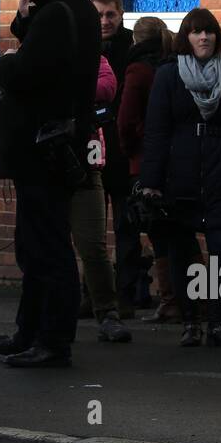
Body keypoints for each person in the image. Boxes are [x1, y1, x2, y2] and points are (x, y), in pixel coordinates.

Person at [0, 0, 100, 368]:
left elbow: (27, 71)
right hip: (57, 146)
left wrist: (2, 65)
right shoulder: (75, 10)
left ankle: (51, 338)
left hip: (44, 148)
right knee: (35, 243)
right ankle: (29, 331)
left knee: (45, 246)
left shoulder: (57, 15)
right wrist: (23, 20)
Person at [140, 8, 221, 347]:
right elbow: (156, 131)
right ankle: (190, 322)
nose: (203, 37)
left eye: (208, 31)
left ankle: (219, 325)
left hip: (219, 171)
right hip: (178, 173)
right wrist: (151, 181)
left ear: (217, 37)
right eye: (195, 32)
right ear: (186, 38)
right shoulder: (168, 76)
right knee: (181, 252)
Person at [116, 16, 181, 322]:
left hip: (144, 159)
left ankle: (170, 300)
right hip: (176, 156)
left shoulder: (137, 69)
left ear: (135, 40)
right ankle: (195, 300)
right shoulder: (174, 65)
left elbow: (126, 120)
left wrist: (128, 151)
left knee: (156, 231)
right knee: (179, 230)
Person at [69, 55, 131, 342]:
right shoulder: (33, 54)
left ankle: (107, 313)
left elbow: (106, 88)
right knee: (43, 246)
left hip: (85, 166)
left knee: (93, 245)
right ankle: (49, 315)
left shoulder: (94, 58)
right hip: (44, 167)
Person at [90, 0, 141, 316]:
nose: (105, 21)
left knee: (126, 227)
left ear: (121, 14)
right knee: (91, 228)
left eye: (110, 14)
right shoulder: (84, 48)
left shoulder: (131, 50)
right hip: (93, 144)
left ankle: (125, 295)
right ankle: (93, 293)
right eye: (99, 15)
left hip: (122, 148)